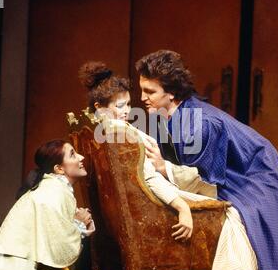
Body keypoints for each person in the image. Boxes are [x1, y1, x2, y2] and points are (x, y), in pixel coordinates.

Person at [135, 49, 278, 270]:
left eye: (150, 91)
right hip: (236, 173)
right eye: (142, 90)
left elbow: (204, 178)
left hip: (253, 176)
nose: (142, 98)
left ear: (172, 92)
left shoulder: (200, 124)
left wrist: (164, 167)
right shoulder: (172, 116)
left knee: (248, 229)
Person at [79, 61, 217, 242]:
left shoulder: (101, 130)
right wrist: (182, 207)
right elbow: (150, 178)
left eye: (128, 104)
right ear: (99, 107)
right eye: (120, 106)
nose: (127, 111)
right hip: (157, 201)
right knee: (228, 207)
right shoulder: (120, 133)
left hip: (143, 201)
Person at [0, 140, 95, 270]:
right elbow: (58, 246)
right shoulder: (54, 191)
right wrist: (80, 223)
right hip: (18, 268)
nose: (81, 157)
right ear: (59, 168)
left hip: (16, 266)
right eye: (73, 155)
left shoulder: (53, 187)